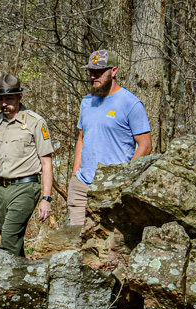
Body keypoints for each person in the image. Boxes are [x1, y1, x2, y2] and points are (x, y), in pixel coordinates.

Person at [0, 74, 54, 257]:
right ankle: (22, 281)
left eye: (9, 98)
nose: (4, 103)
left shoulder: (35, 122)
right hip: (1, 190)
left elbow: (46, 163)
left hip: (26, 187)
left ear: (19, 97)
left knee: (7, 243)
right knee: (14, 243)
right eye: (0, 99)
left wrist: (46, 199)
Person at [67, 49, 152, 226]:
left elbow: (145, 146)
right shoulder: (87, 102)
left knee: (107, 247)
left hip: (112, 188)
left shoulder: (131, 103)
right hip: (82, 185)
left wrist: (124, 180)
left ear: (113, 71)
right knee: (74, 242)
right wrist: (76, 172)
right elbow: (81, 138)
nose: (93, 76)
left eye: (98, 72)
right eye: (91, 71)